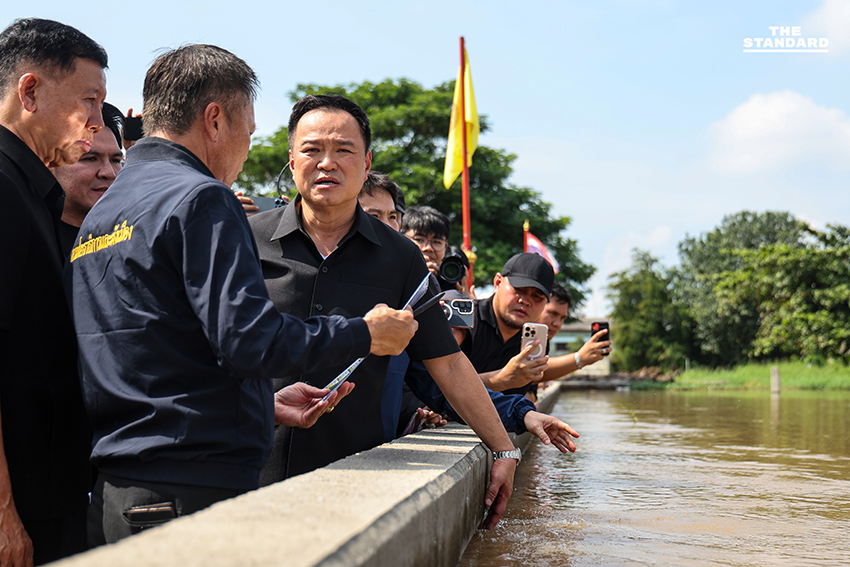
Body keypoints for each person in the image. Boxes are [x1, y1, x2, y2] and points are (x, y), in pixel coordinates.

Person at [66, 45, 417, 546]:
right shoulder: (202, 197)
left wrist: (260, 403)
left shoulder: (103, 210)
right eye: (248, 132)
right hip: (191, 489)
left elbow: (155, 350)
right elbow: (250, 341)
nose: (247, 149)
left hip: (115, 490)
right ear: (215, 120)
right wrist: (364, 333)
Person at [250, 94, 522, 529]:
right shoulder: (242, 239)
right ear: (291, 159)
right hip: (245, 470)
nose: (327, 163)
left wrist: (503, 448)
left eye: (343, 150)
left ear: (366, 161)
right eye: (312, 149)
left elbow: (447, 363)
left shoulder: (400, 258)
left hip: (355, 478)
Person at [0, 17, 107, 565]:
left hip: (52, 496)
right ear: (31, 91)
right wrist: (3, 514)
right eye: (89, 100)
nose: (96, 122)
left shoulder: (30, 189)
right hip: (21, 511)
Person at [456, 253, 554, 397]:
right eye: (519, 289)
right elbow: (435, 387)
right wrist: (501, 379)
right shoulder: (464, 319)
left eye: (537, 297)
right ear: (498, 283)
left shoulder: (537, 343)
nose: (525, 301)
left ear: (547, 301)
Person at [53, 102, 124, 256]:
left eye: (116, 161)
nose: (109, 173)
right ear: (52, 163)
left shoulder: (132, 236)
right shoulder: (32, 238)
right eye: (91, 159)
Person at [539, 282, 611, 382]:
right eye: (552, 313)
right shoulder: (515, 333)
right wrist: (579, 358)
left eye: (562, 318)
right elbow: (529, 370)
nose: (557, 323)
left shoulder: (543, 342)